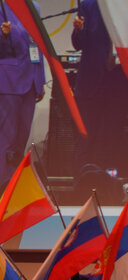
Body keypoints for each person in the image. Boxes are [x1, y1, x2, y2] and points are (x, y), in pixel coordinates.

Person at [70, 0, 128, 175]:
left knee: (111, 140)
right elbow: (78, 44)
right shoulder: (88, 5)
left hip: (119, 84)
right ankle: (82, 185)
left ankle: (107, 186)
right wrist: (79, 29)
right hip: (91, 83)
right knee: (86, 140)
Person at [0, 6, 44, 184]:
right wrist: (2, 36)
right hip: (10, 81)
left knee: (21, 139)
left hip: (31, 81)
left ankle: (11, 184)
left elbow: (38, 44)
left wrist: (40, 79)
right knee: (6, 139)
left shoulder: (33, 6)